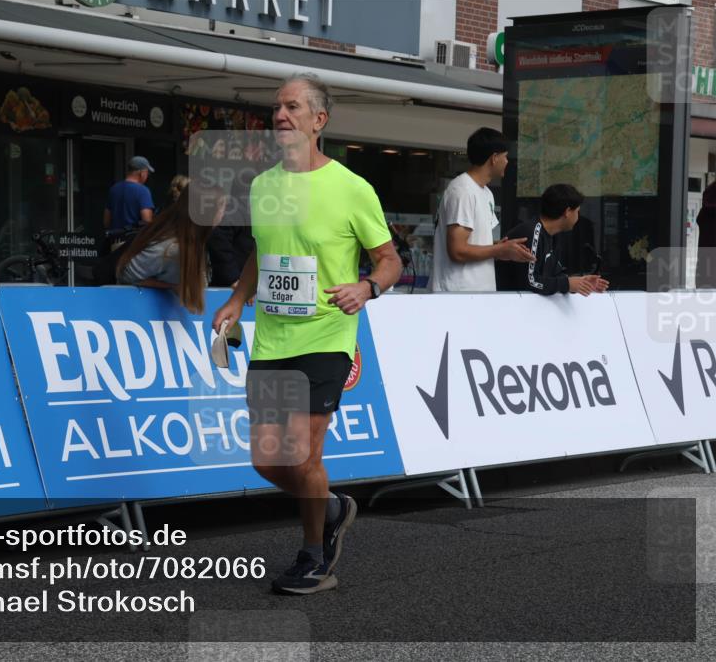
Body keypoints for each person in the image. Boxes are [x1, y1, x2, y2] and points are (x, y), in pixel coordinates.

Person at [211, 74, 403, 595]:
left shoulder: (351, 188)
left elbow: (389, 260)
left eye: (292, 107)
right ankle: (335, 506)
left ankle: (314, 557)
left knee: (301, 456)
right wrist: (236, 297)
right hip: (273, 338)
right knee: (265, 459)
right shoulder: (264, 184)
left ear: (318, 121)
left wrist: (367, 288)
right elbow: (262, 251)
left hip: (326, 337)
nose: (280, 116)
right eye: (277, 107)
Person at [429, 127, 534, 292]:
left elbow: (477, 244)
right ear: (494, 158)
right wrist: (498, 249)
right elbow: (457, 251)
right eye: (505, 157)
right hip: (457, 295)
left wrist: (505, 250)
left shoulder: (486, 193)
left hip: (477, 293)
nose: (507, 162)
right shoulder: (462, 190)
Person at [116, 180, 225, 314]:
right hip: (142, 312)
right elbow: (126, 274)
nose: (223, 213)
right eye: (221, 207)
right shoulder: (170, 247)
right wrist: (172, 287)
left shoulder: (193, 238)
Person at [497, 184, 609, 296]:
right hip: (506, 306)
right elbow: (530, 282)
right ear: (567, 212)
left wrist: (580, 283)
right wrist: (567, 284)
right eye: (577, 211)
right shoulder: (532, 233)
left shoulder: (551, 235)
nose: (578, 217)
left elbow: (555, 273)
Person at [103, 156, 156, 245]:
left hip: (115, 242)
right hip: (133, 245)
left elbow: (106, 221)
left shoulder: (114, 189)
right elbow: (147, 221)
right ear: (142, 173)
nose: (147, 176)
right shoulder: (143, 191)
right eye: (147, 173)